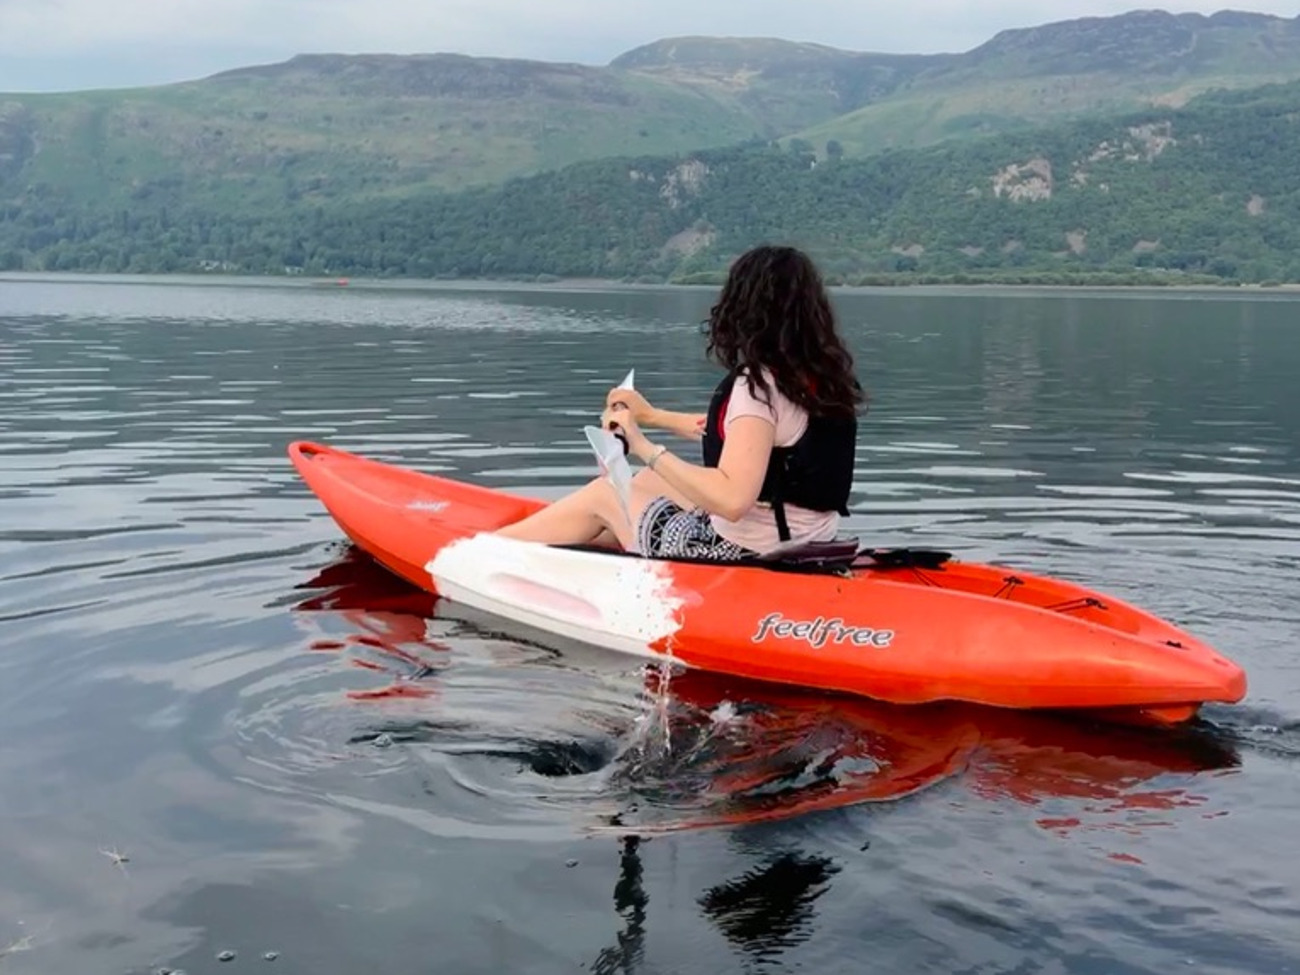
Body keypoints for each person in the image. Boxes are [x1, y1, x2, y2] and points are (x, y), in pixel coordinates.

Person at [496, 244, 865, 560]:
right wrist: (650, 415)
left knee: (607, 493)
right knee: (646, 483)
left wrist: (641, 444)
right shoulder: (820, 377)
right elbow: (739, 436)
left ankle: (484, 552)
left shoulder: (759, 386)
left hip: (745, 552)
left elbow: (734, 500)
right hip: (810, 540)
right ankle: (571, 549)